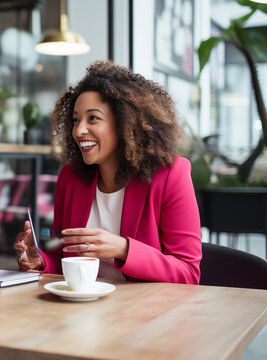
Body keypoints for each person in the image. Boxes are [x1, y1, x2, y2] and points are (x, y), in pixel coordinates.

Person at [14, 60, 201, 284]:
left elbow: (188, 274)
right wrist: (40, 262)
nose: (79, 130)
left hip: (145, 311)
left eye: (93, 118)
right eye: (75, 120)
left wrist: (123, 249)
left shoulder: (171, 175)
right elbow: (63, 259)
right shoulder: (70, 178)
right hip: (84, 309)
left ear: (125, 123)